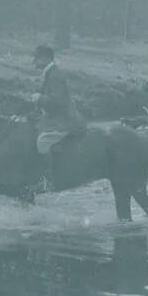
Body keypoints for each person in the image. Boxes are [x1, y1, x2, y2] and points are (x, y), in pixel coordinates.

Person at [30, 44, 85, 190]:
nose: (34, 62)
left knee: (42, 142)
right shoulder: (50, 74)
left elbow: (58, 102)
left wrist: (39, 98)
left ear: (46, 58)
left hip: (65, 119)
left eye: (37, 58)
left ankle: (48, 181)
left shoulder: (55, 75)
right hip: (54, 117)